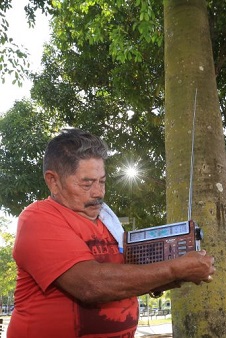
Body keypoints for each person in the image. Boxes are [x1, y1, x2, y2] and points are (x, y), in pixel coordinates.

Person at [7, 128, 215, 338]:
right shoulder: (38, 218)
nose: (98, 192)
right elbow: (90, 285)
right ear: (53, 180)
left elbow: (128, 280)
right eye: (86, 183)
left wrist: (185, 271)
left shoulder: (109, 221)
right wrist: (174, 270)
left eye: (102, 181)